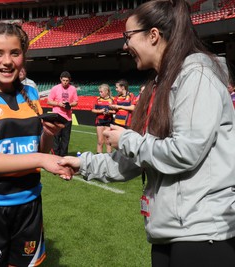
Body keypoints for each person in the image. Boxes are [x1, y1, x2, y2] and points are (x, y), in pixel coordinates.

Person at [58, 1, 235, 266]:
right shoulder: (159, 83)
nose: (124, 46)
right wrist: (82, 163)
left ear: (153, 35)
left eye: (127, 37)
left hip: (202, 233)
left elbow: (184, 152)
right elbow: (138, 158)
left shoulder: (197, 77)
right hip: (168, 231)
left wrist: (127, 139)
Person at [0, 22, 72, 266]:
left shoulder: (30, 96)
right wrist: (42, 159)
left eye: (15, 53)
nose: (7, 61)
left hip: (28, 205)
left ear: (24, 56)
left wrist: (48, 135)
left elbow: (35, 151)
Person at [47, 71, 78, 156]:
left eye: (67, 80)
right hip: (57, 116)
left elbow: (76, 102)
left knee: (65, 139)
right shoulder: (55, 88)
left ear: (70, 80)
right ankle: (55, 156)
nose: (65, 82)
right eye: (63, 80)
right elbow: (49, 101)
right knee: (56, 138)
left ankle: (63, 157)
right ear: (60, 79)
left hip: (68, 118)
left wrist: (70, 104)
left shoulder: (73, 89)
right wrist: (58, 104)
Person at [91, 84, 113, 153]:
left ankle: (109, 159)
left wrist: (108, 112)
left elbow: (115, 111)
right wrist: (100, 111)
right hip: (100, 122)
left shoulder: (112, 100)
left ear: (107, 91)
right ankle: (98, 158)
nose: (100, 93)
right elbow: (93, 110)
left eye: (101, 92)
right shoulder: (97, 99)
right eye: (99, 92)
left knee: (108, 142)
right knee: (100, 142)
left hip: (108, 122)